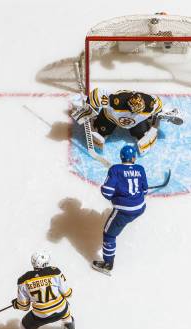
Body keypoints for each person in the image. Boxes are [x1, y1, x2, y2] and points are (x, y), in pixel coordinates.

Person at [7, 250, 74, 329]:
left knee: (24, 326)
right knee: (64, 305)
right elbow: (67, 293)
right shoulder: (55, 272)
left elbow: (24, 306)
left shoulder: (23, 280)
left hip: (41, 315)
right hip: (61, 311)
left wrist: (16, 304)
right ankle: (69, 324)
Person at [70, 88, 182, 155]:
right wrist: (85, 108)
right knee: (101, 131)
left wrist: (168, 114)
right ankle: (101, 127)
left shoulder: (151, 104)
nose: (134, 112)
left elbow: (161, 110)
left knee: (142, 134)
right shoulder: (116, 100)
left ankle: (139, 130)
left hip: (137, 122)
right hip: (110, 118)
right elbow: (96, 95)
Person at [92, 145, 148, 275]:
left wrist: (117, 194)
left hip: (124, 211)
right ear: (134, 158)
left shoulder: (115, 169)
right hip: (140, 208)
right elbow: (144, 190)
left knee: (109, 235)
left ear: (121, 157)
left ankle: (108, 264)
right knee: (124, 219)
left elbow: (107, 192)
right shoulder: (140, 169)